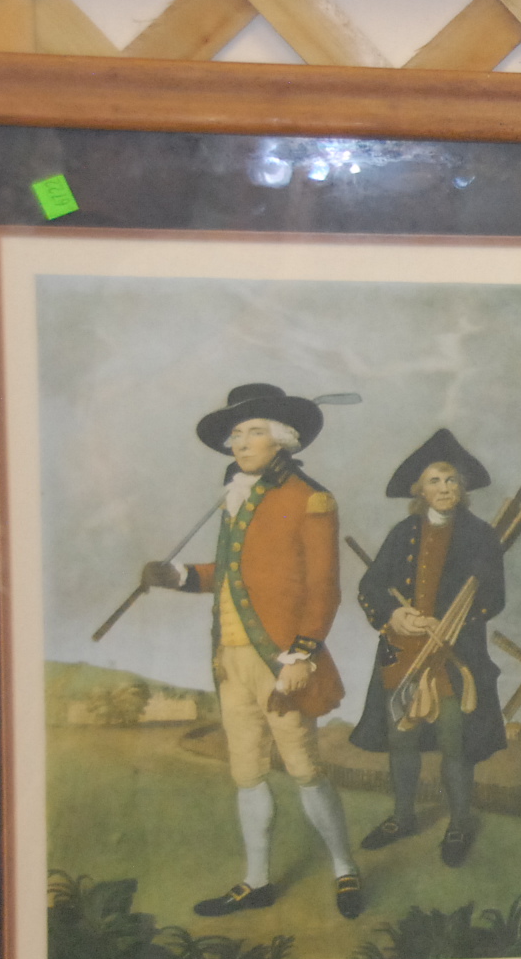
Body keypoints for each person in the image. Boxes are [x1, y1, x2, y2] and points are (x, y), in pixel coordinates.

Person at [139, 384, 362, 919]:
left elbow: (324, 588)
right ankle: (255, 881)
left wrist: (302, 656)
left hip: (281, 664)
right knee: (246, 773)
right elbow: (233, 576)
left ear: (282, 439)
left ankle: (344, 869)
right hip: (230, 663)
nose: (239, 442)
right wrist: (177, 575)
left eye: (253, 431)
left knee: (305, 768)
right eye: (235, 433)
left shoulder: (311, 499)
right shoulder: (236, 497)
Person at [348, 430, 508, 868]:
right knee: (402, 739)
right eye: (435, 481)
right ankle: (402, 817)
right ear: (419, 490)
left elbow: (494, 598)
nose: (445, 488)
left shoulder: (481, 536)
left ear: (463, 488)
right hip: (402, 653)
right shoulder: (403, 533)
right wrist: (394, 615)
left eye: (451, 480)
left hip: (454, 656)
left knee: (456, 744)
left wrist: (452, 624)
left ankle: (459, 823)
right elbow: (371, 586)